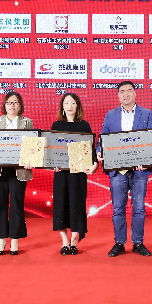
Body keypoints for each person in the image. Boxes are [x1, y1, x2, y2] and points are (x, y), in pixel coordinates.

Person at [98, 80, 152, 257]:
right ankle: (119, 243)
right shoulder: (111, 115)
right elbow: (102, 138)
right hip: (118, 170)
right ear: (118, 95)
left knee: (139, 207)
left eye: (129, 91)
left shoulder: (147, 114)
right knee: (118, 208)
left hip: (139, 170)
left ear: (135, 93)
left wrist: (146, 161)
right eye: (122, 91)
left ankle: (138, 242)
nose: (126, 94)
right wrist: (100, 151)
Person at [0, 91, 34, 255]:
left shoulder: (27, 122)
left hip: (19, 170)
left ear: (20, 106)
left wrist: (30, 159)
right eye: (9, 102)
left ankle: (14, 240)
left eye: (15, 102)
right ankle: (1, 241)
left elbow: (32, 145)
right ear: (4, 105)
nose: (12, 105)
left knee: (16, 204)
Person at [50, 93, 98, 255]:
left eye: (73, 103)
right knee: (61, 205)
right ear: (62, 107)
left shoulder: (84, 126)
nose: (70, 106)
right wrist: (52, 164)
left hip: (78, 174)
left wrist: (94, 165)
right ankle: (64, 241)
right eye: (66, 103)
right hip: (61, 175)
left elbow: (91, 150)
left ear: (77, 106)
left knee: (77, 205)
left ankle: (74, 240)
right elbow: (51, 151)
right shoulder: (56, 125)